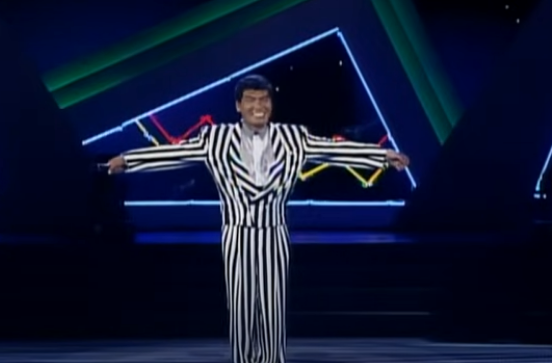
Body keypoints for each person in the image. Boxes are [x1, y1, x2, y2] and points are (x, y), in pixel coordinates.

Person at [107, 74, 410, 363]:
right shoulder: (216, 138)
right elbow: (173, 155)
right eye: (251, 100)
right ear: (238, 105)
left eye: (264, 99)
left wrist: (382, 156)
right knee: (241, 306)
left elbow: (333, 150)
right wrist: (128, 160)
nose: (258, 106)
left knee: (272, 306)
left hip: (274, 232)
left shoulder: (293, 137)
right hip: (237, 233)